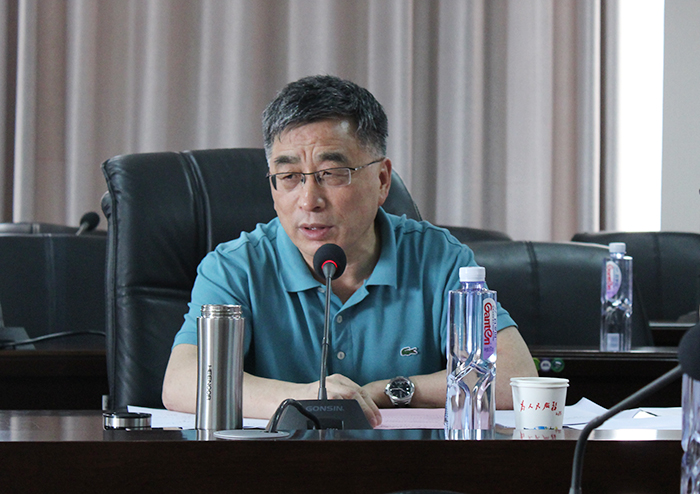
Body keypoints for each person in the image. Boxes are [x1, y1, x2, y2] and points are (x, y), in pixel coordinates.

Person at [162, 75, 537, 427]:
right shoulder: (234, 267)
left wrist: (393, 390)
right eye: (289, 177)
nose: (309, 200)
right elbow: (182, 381)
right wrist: (305, 399)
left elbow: (514, 376)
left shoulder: (438, 259)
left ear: (382, 180)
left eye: (331, 174)